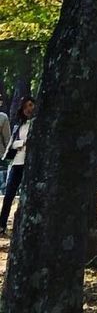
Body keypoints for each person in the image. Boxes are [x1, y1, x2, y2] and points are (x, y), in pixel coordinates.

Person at [0, 97, 36, 234]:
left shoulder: (36, 125)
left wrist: (21, 143)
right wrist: (21, 143)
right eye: (26, 106)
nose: (28, 109)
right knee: (9, 196)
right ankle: (2, 225)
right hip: (16, 164)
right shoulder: (19, 125)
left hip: (29, 164)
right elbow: (12, 144)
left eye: (31, 105)